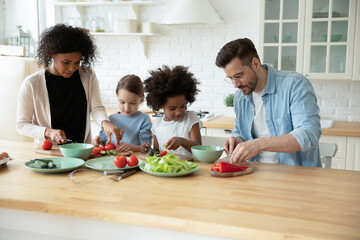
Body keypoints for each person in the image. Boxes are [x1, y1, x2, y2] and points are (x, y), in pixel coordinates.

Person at [215, 38, 322, 167]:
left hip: (295, 177)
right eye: (230, 78)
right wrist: (237, 140)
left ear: (255, 63)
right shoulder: (240, 96)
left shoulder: (295, 85)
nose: (235, 85)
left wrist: (259, 144)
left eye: (239, 76)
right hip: (254, 173)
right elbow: (239, 130)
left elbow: (309, 133)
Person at [16, 24, 123, 145]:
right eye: (66, 62)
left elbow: (96, 107)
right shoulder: (32, 83)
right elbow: (21, 125)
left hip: (82, 150)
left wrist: (105, 123)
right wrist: (48, 132)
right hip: (50, 152)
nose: (72, 68)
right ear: (52, 54)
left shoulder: (88, 76)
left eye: (77, 62)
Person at [143, 65, 202, 156]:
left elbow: (199, 148)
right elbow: (157, 150)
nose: (179, 112)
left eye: (183, 106)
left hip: (189, 167)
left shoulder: (190, 118)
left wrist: (182, 141)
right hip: (166, 168)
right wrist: (149, 150)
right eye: (172, 108)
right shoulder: (157, 125)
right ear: (161, 105)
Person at [92, 75, 152, 152]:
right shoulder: (111, 119)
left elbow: (147, 148)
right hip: (112, 161)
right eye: (122, 102)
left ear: (141, 99)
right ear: (117, 96)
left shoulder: (144, 119)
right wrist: (97, 141)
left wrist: (133, 147)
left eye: (132, 103)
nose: (127, 107)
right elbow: (104, 143)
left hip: (135, 161)